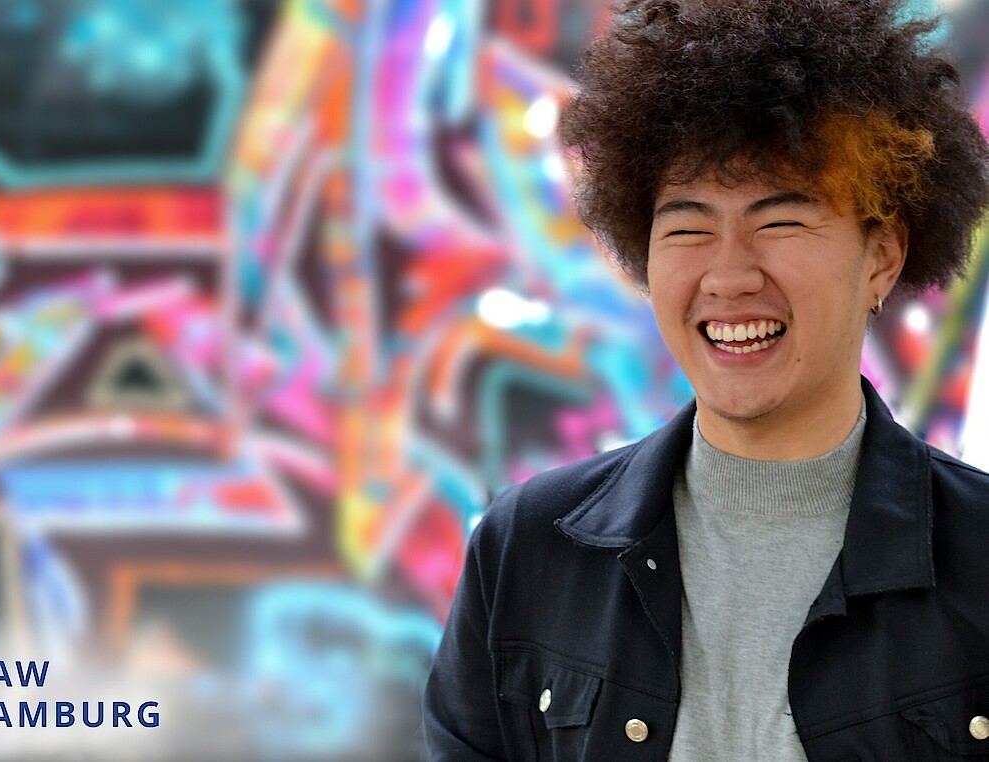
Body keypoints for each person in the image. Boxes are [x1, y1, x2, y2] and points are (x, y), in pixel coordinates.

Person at [422, 0, 989, 759]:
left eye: (780, 221)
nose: (727, 274)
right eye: (687, 227)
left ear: (881, 256)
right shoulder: (526, 551)